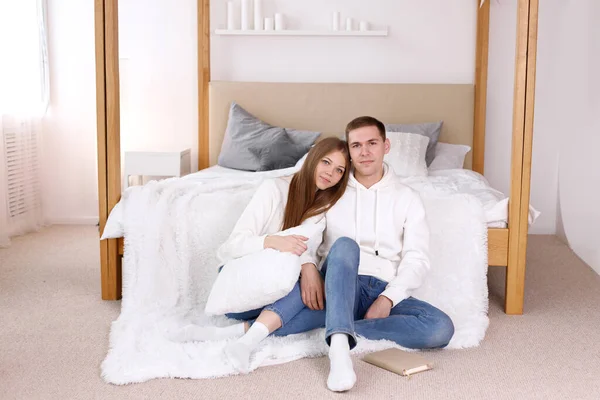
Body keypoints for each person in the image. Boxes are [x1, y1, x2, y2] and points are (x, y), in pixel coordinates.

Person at [268, 116, 455, 392]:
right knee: (344, 247)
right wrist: (307, 265)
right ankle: (340, 349)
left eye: (372, 143)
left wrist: (387, 299)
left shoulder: (408, 198)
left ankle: (340, 326)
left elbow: (418, 258)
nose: (364, 152)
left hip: (382, 287)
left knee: (440, 328)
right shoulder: (333, 191)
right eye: (356, 145)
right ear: (350, 151)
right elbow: (306, 236)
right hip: (340, 283)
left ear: (385, 146)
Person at [168, 137, 351, 374]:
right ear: (313, 159)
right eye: (326, 162)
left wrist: (308, 266)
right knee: (304, 293)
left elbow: (307, 249)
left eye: (339, 170)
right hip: (240, 287)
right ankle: (247, 339)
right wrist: (273, 241)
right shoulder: (274, 189)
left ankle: (235, 338)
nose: (330, 173)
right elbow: (229, 247)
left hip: (278, 290)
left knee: (325, 308)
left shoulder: (323, 207)